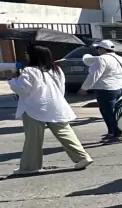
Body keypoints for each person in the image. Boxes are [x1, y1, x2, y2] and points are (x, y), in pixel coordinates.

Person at [10, 45, 94, 176]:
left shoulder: (29, 71)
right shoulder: (57, 70)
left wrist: (14, 80)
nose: (26, 55)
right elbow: (61, 89)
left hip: (34, 108)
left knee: (33, 139)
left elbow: (23, 90)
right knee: (65, 133)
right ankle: (82, 157)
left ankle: (29, 166)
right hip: (56, 105)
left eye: (28, 53)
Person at [80, 39, 122, 143]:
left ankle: (117, 135)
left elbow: (94, 74)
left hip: (106, 89)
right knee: (110, 111)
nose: (97, 50)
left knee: (108, 112)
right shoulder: (120, 58)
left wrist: (84, 88)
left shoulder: (102, 59)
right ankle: (112, 133)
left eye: (98, 48)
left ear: (103, 49)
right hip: (119, 87)